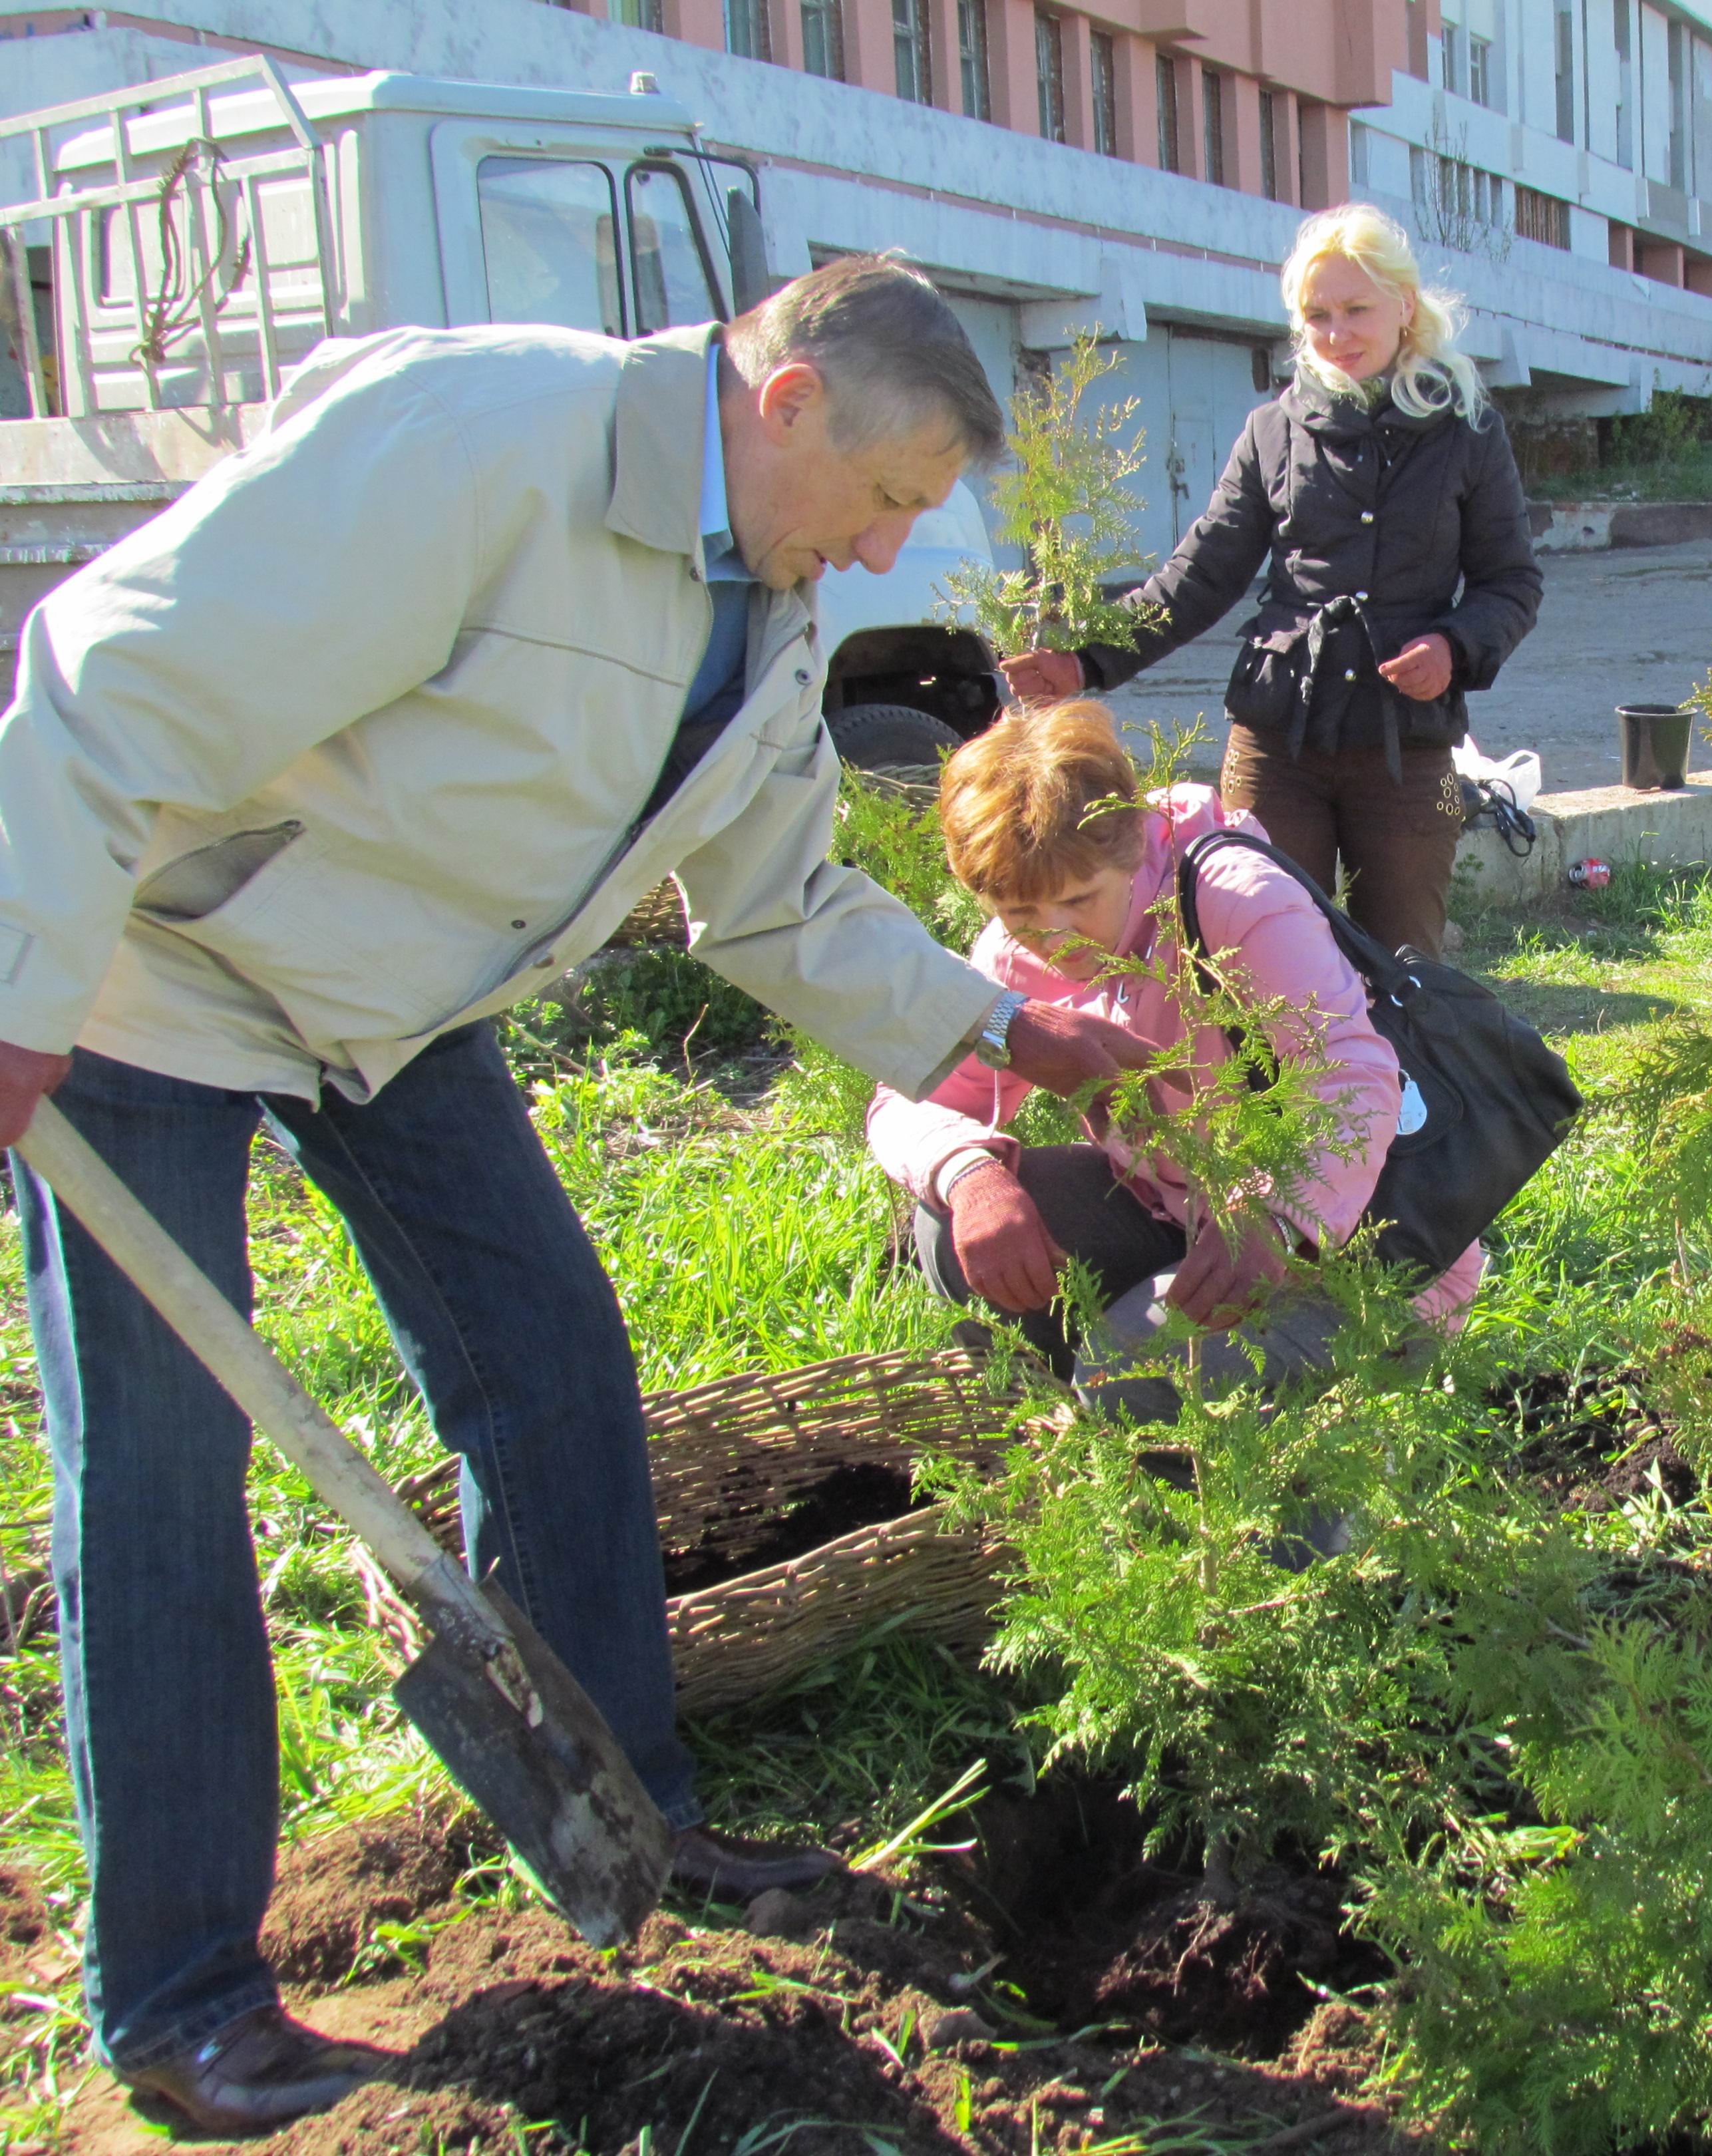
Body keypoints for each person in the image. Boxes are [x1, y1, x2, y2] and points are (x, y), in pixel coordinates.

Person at [0, 255, 1150, 2133]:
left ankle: (630, 1831)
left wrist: (1008, 1041)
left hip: (399, 1004)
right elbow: (106, 676)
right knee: (160, 1463)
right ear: (787, 407)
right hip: (156, 973)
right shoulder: (476, 443)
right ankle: (185, 1997)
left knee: (545, 1358)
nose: (883, 559)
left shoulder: (761, 601)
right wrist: (18, 981)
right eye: (885, 503)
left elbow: (776, 901)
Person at [867, 700, 1481, 1418]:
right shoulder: (1012, 955)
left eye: (1077, 899)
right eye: (1020, 912)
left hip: (1353, 1249)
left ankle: (1253, 1421)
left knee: (1124, 1371)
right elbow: (913, 1096)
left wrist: (1279, 1217)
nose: (1053, 936)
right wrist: (969, 1175)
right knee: (948, 1223)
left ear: (1133, 844)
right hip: (1180, 1214)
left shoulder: (1233, 901)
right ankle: (1098, 1420)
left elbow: (1352, 1076)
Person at [1000, 204, 1542, 959]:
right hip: (1275, 743)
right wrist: (1086, 660)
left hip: (1414, 753)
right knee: (1259, 952)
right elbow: (1200, 574)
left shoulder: (1469, 431)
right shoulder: (1272, 430)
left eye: (1356, 310)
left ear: (1405, 307)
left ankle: (1404, 1081)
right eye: (1317, 315)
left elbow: (1512, 583)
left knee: (1409, 959)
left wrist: (1454, 645)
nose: (1336, 333)